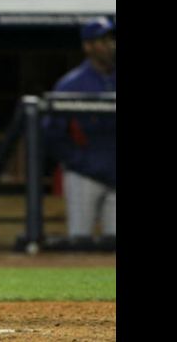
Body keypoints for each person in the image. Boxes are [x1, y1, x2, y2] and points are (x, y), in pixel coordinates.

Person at [45, 17, 115, 246]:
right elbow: (52, 134)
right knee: (80, 242)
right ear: (88, 46)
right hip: (85, 175)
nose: (110, 45)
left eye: (110, 39)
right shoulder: (71, 84)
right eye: (101, 41)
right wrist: (80, 160)